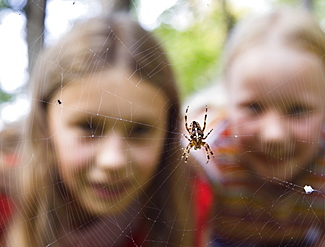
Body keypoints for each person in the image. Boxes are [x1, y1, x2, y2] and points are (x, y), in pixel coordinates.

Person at [1, 12, 212, 247]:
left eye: (140, 130)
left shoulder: (190, 197)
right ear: (43, 125)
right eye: (89, 127)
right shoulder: (5, 198)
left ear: (169, 132)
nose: (113, 160)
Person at [185, 7, 325, 246]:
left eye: (297, 110)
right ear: (226, 101)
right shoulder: (201, 159)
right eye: (253, 107)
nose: (273, 135)